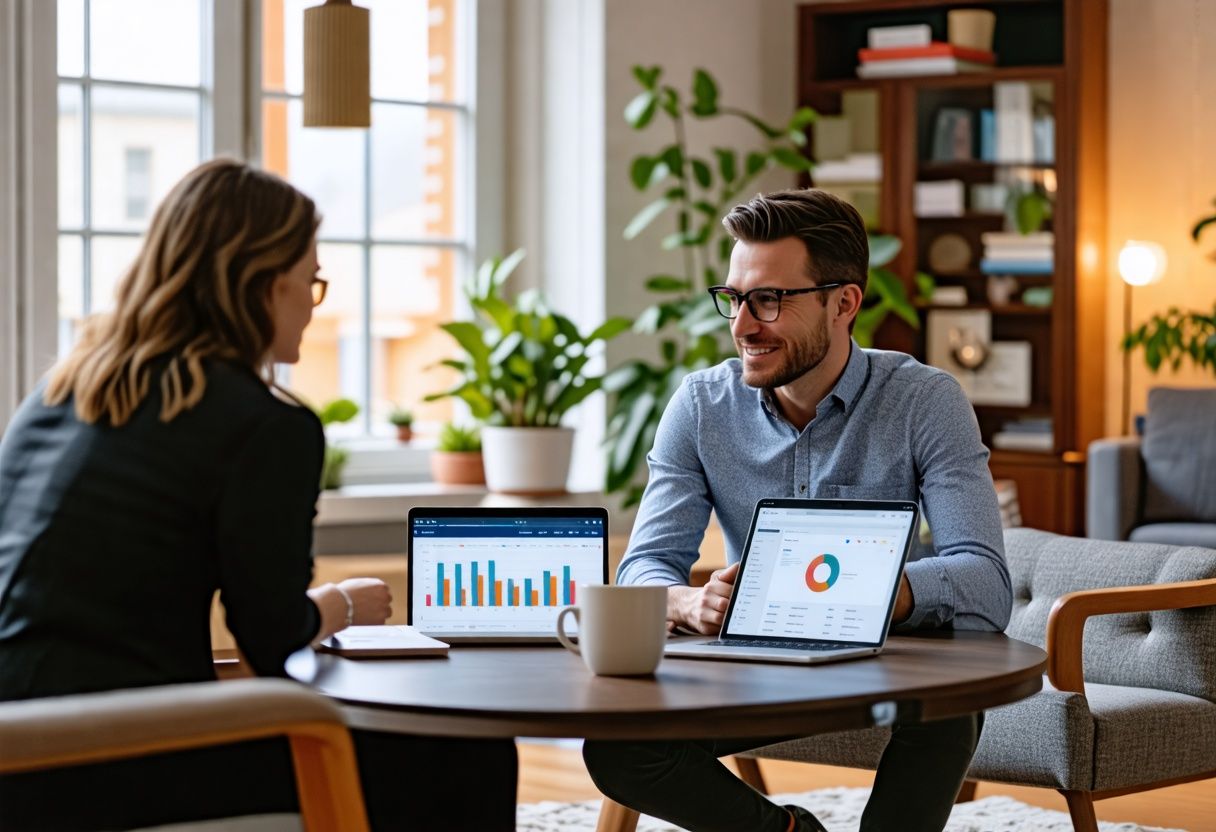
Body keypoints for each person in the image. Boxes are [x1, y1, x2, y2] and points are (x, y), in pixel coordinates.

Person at [0, 159, 516, 831]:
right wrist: (340, 605)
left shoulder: (60, 394)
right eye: (311, 280)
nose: (312, 301)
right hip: (121, 754)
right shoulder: (265, 424)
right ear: (264, 286)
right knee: (470, 751)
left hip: (19, 752)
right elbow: (271, 643)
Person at [582, 188, 1012, 832]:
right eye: (734, 298)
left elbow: (985, 584)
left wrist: (873, 595)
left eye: (770, 300)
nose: (743, 325)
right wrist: (686, 602)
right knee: (617, 746)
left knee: (950, 707)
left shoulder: (925, 401)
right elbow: (644, 567)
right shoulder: (700, 406)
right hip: (751, 673)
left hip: (884, 670)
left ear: (845, 303)